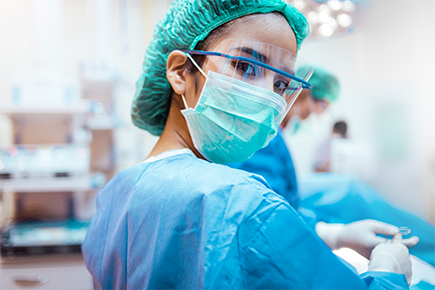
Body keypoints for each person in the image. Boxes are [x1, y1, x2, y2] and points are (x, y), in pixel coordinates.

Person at [82, 1, 414, 289]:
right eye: (245, 66)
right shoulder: (240, 201)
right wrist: (388, 271)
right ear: (181, 72)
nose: (268, 96)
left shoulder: (113, 197)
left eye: (282, 83)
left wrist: (332, 235)